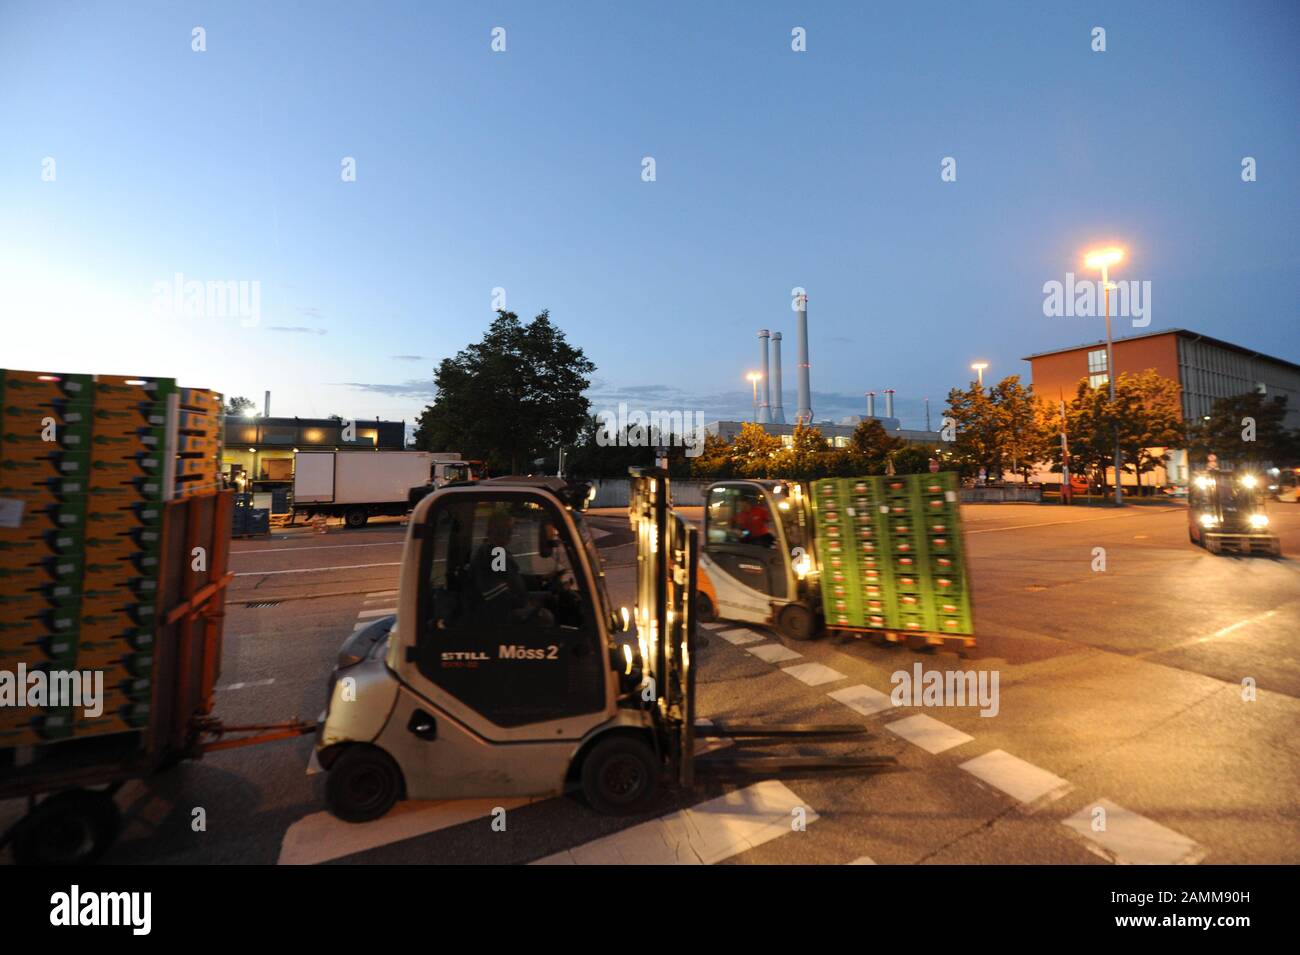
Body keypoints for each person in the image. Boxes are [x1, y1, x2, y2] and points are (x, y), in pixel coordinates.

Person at [468, 509, 554, 627]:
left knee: (550, 598)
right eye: (505, 531)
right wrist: (527, 606)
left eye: (509, 530)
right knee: (547, 618)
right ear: (493, 532)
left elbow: (510, 578)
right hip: (504, 615)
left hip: (514, 603)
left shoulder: (495, 551)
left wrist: (540, 578)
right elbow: (499, 597)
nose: (509, 534)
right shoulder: (493, 553)